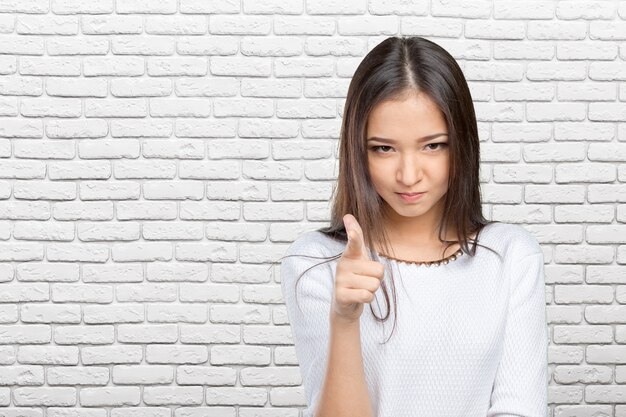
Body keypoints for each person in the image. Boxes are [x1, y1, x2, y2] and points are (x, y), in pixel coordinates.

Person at [278, 36, 548, 417]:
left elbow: (519, 408)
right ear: (358, 150)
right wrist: (344, 320)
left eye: (433, 145)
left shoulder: (510, 256)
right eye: (383, 148)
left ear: (463, 144)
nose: (408, 175)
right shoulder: (316, 262)